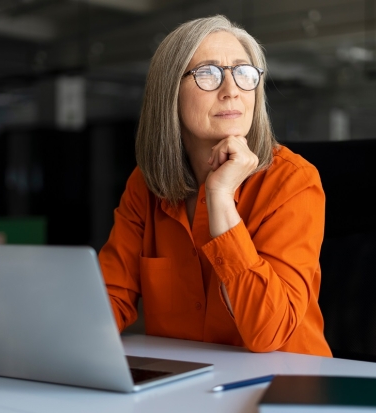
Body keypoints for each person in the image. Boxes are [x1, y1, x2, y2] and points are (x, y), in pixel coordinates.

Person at [98, 15, 332, 357]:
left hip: (285, 387)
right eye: (207, 74)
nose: (232, 90)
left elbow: (270, 332)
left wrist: (220, 198)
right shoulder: (146, 184)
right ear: (169, 93)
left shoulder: (293, 180)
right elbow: (110, 298)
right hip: (186, 384)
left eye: (243, 73)